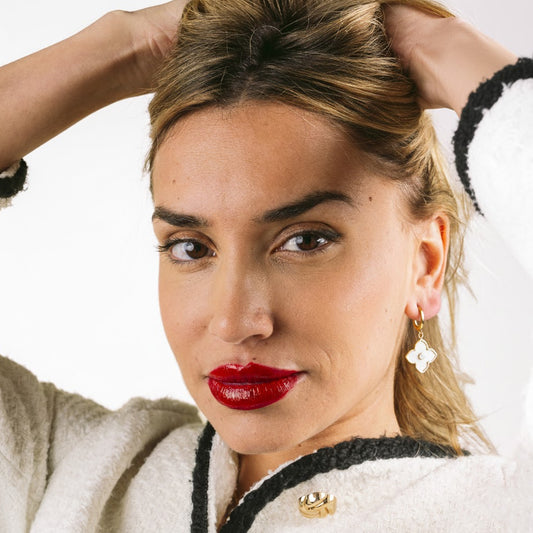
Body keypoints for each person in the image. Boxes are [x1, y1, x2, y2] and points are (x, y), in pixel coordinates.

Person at [0, 0, 532, 531]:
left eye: (304, 241)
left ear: (425, 263)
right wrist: (126, 46)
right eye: (191, 248)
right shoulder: (68, 466)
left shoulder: (498, 514)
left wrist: (443, 47)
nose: (232, 322)